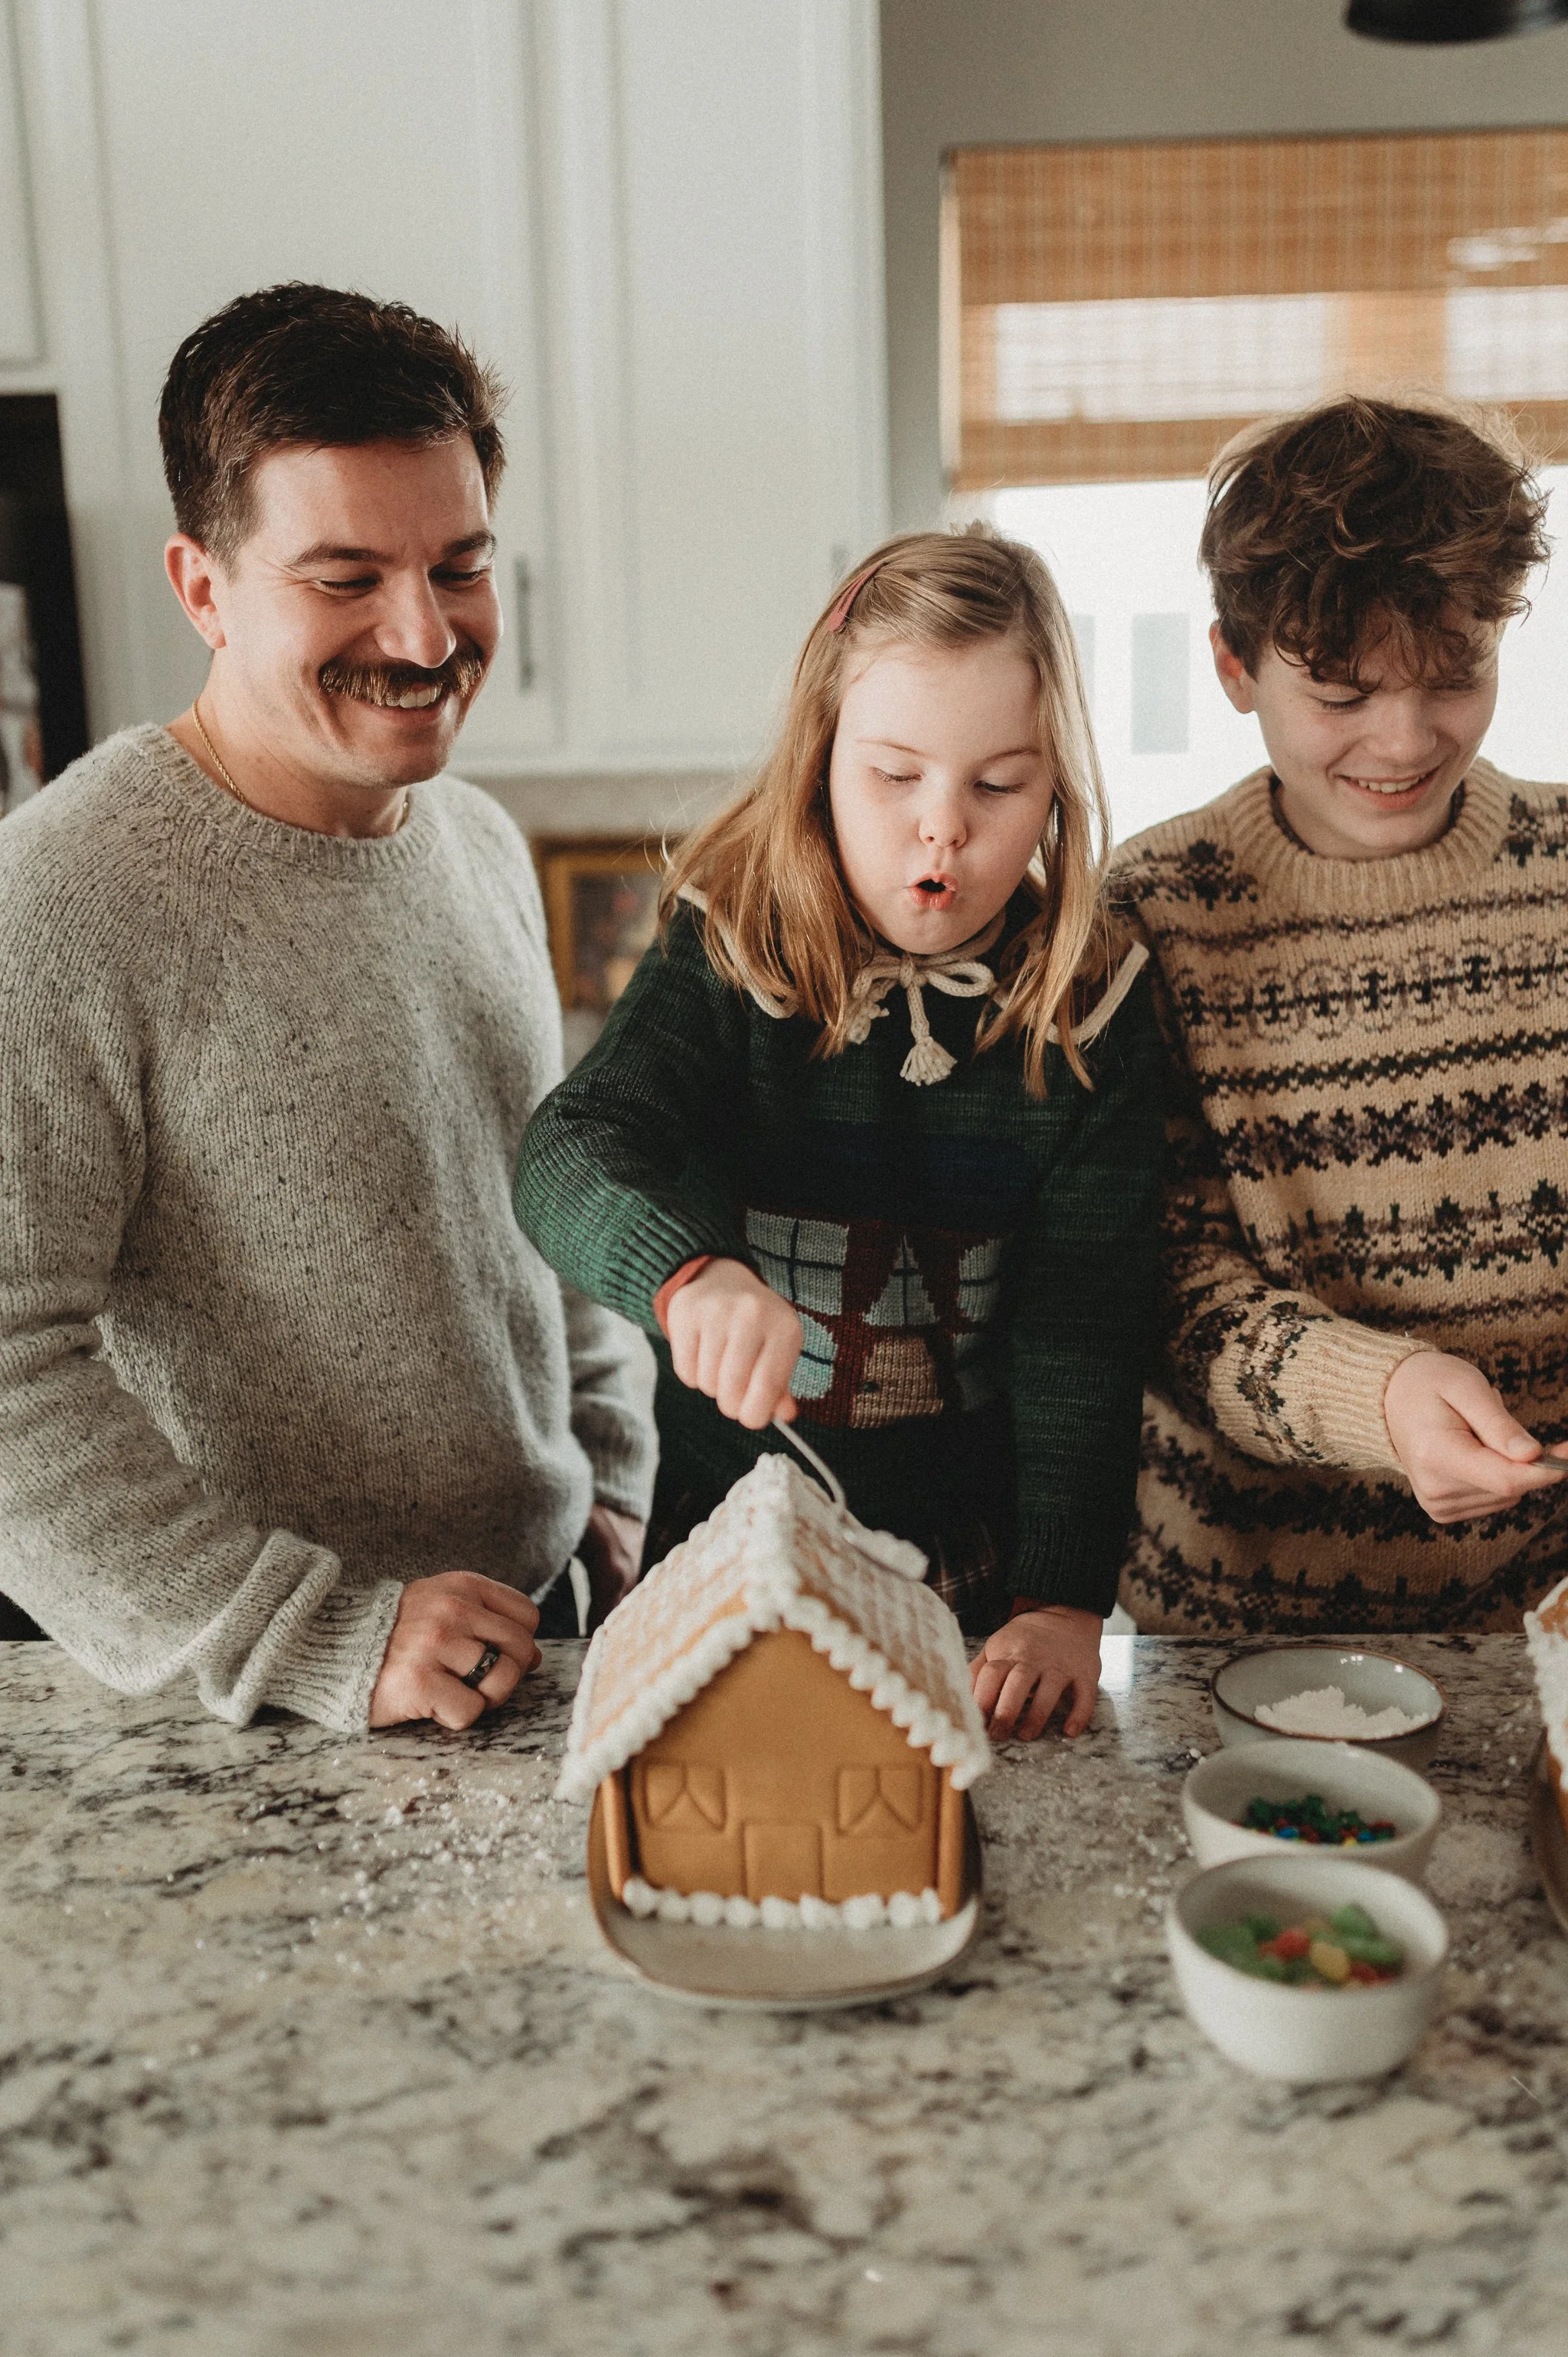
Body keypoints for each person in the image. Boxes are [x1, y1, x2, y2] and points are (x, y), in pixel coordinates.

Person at [0, 283, 654, 1731]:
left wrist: (609, 1470)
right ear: (203, 588)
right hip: (272, 1708)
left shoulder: (477, 841)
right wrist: (311, 1635)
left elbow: (542, 1198)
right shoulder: (59, 900)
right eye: (345, 578)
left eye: (460, 566)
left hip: (538, 1630)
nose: (423, 635)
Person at [514, 528, 1164, 1741]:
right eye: (894, 775)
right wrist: (689, 1276)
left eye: (998, 785)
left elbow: (1083, 1330)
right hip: (724, 1529)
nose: (942, 829)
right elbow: (573, 1143)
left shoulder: (1092, 1010)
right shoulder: (728, 949)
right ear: (819, 758)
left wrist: (1064, 1598)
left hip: (974, 1567)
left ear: (1058, 786)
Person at [1114, 395, 1567, 1633]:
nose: (1405, 740)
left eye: (1455, 674)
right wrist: (1379, 1394)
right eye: (1342, 691)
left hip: (1544, 1624)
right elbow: (1152, 1281)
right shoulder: (1147, 914)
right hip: (1239, 1629)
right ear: (1234, 666)